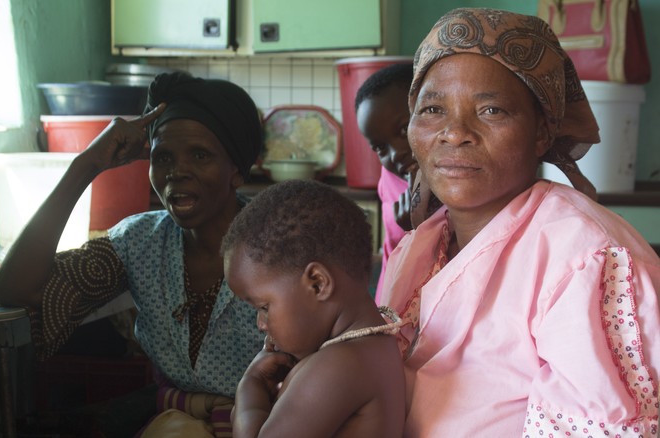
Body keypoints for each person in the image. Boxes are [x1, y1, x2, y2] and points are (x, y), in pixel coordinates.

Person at [379, 8, 660, 437]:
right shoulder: (417, 247)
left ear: (543, 132)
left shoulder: (587, 259)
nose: (455, 133)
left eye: (490, 110)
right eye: (432, 108)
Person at [0, 72, 265, 436]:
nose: (177, 172)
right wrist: (85, 166)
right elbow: (15, 290)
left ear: (236, 170)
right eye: (163, 157)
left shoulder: (278, 245)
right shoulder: (141, 243)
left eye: (200, 155)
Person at [221, 179, 406, 438]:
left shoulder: (339, 366)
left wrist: (250, 389)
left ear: (318, 283)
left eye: (263, 307)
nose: (261, 323)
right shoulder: (371, 346)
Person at [355, 62, 441, 302]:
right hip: (396, 299)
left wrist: (418, 230)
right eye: (380, 147)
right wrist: (409, 233)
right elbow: (392, 251)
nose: (395, 154)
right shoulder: (391, 177)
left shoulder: (458, 174)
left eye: (403, 130)